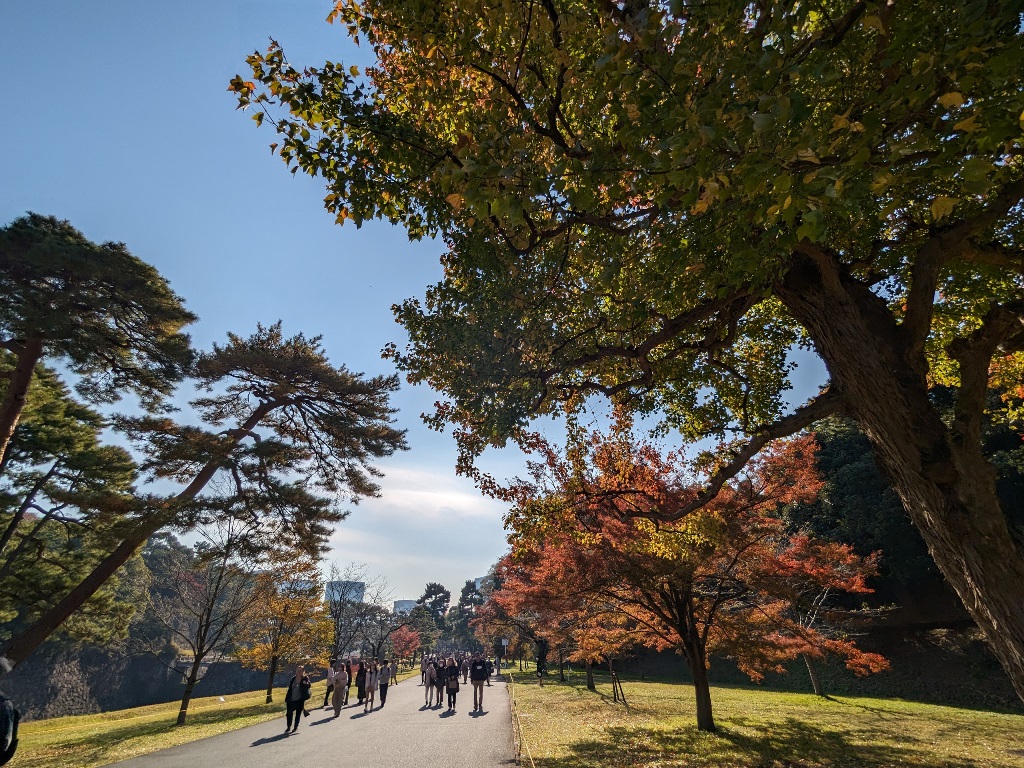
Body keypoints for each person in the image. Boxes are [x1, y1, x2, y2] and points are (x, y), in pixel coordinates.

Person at [284, 665, 311, 733]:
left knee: (298, 714)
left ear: (303, 671)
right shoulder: (293, 678)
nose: (299, 672)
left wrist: (306, 683)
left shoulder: (305, 678)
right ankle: (288, 726)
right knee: (289, 713)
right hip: (291, 699)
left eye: (300, 671)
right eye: (297, 670)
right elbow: (290, 688)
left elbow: (309, 685)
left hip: (300, 699)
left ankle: (295, 727)